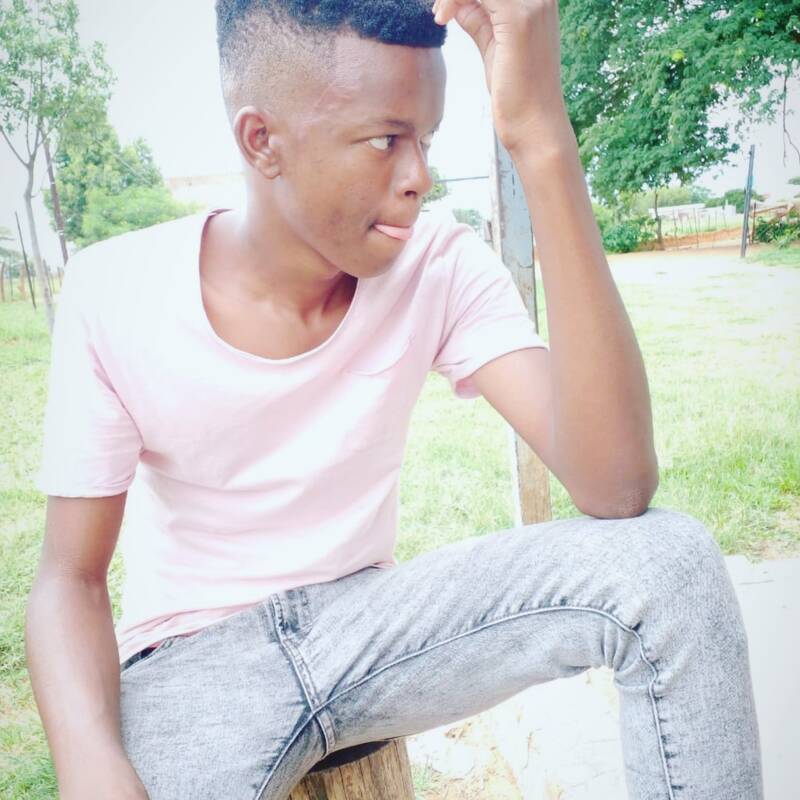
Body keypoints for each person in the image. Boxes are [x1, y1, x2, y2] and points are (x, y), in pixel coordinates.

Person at [25, 1, 764, 798]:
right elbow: (70, 579)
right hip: (193, 664)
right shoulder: (116, 291)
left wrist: (540, 137)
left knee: (669, 564)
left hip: (375, 630)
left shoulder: (437, 263)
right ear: (261, 140)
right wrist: (90, 763)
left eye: (427, 140)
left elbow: (615, 486)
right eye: (386, 140)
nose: (419, 177)